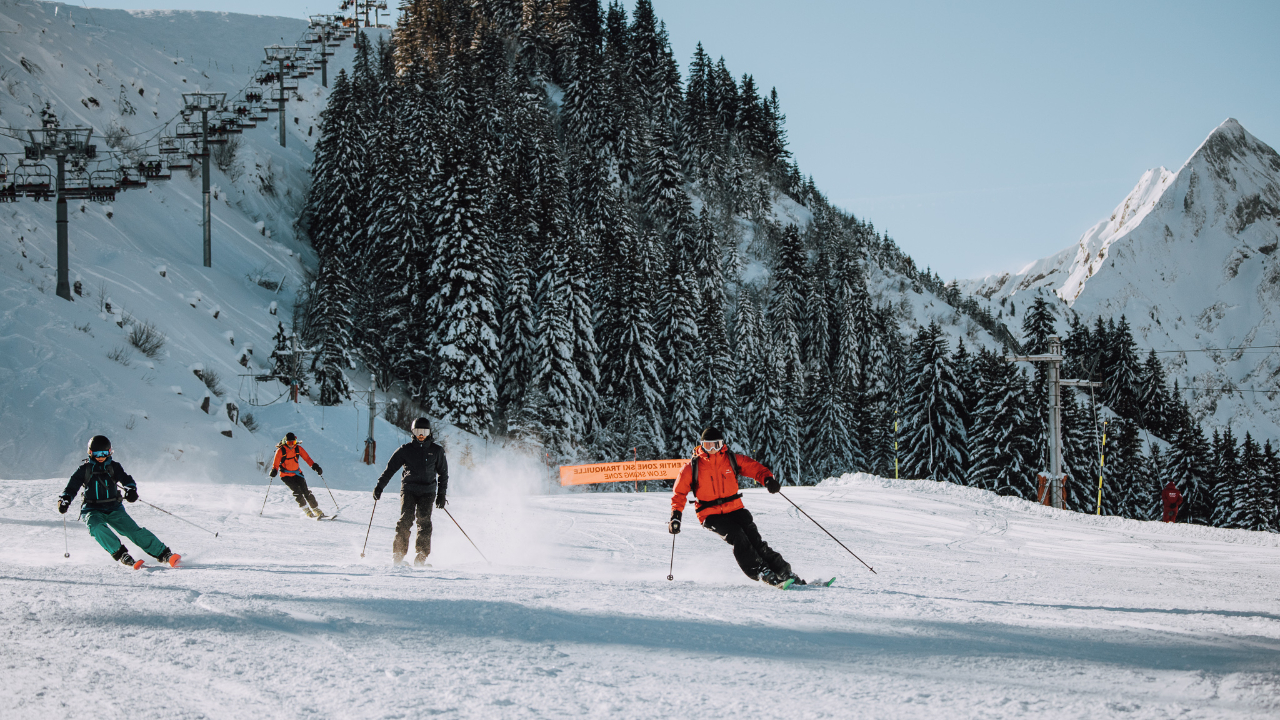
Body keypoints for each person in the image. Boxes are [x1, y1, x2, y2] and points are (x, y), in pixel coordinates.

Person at [668, 427, 804, 587]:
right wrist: (676, 516)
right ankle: (761, 571)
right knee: (738, 536)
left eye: (716, 445)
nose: (712, 449)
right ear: (702, 445)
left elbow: (754, 468)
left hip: (735, 508)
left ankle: (783, 571)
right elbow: (679, 493)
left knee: (755, 541)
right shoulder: (692, 467)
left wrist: (767, 479)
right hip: (710, 514)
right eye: (708, 445)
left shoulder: (731, 459)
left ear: (722, 445)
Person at [58, 435, 181, 569]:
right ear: (90, 453)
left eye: (104, 453)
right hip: (92, 509)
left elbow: (126, 479)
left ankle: (164, 554)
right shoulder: (84, 470)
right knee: (96, 527)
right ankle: (121, 554)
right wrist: (64, 500)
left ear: (109, 452)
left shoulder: (113, 467)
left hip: (114, 508)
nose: (101, 457)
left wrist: (131, 490)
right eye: (97, 453)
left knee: (133, 531)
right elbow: (71, 487)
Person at [373, 418, 449, 566]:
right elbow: (390, 469)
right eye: (418, 432)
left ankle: (421, 555)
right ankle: (398, 554)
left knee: (424, 521)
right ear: (413, 432)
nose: (421, 435)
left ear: (429, 433)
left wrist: (441, 495)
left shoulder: (436, 451)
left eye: (424, 432)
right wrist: (379, 487)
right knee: (405, 520)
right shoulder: (405, 450)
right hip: (409, 490)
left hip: (428, 492)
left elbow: (443, 474)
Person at [271, 432, 326, 519]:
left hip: (297, 473)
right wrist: (274, 471)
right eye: (289, 443)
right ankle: (306, 510)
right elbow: (276, 464)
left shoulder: (298, 448)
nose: (291, 445)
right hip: (285, 475)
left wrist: (315, 466)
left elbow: (307, 458)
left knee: (306, 491)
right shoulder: (281, 451)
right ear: (285, 442)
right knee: (297, 492)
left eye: (293, 442)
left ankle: (316, 509)